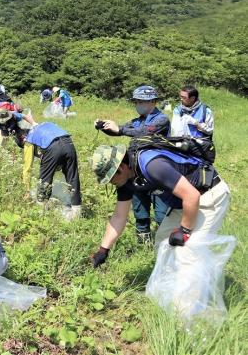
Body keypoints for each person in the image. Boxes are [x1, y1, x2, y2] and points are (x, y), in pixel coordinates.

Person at [89, 144, 229, 269]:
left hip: (208, 196)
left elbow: (192, 196)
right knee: (163, 243)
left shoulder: (153, 165)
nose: (111, 182)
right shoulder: (125, 179)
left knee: (189, 252)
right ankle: (168, 290)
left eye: (110, 177)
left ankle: (190, 297)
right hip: (183, 202)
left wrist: (184, 231)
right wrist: (103, 250)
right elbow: (119, 216)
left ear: (121, 167)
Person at [95, 85, 171, 244]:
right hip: (136, 173)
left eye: (140, 101)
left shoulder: (161, 120)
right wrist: (105, 127)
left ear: (152, 101)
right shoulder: (137, 121)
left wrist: (121, 129)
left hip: (158, 173)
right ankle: (144, 245)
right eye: (136, 101)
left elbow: (145, 131)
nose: (137, 104)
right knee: (140, 212)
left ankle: (164, 245)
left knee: (162, 215)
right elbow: (120, 130)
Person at [21, 115, 81, 219]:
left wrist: (27, 190)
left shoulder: (29, 138)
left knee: (45, 179)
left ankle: (41, 211)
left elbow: (28, 167)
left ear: (23, 136)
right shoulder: (44, 125)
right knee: (72, 177)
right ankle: (76, 212)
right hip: (69, 143)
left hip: (53, 147)